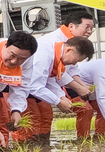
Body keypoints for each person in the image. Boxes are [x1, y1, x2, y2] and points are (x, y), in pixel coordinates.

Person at [9, 8, 96, 139]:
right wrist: (59, 100)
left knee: (45, 116)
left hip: (34, 85)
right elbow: (36, 85)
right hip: (19, 85)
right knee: (31, 120)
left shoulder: (60, 50)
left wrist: (61, 96)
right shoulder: (47, 51)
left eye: (92, 28)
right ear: (69, 50)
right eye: (87, 27)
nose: (73, 64)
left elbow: (50, 77)